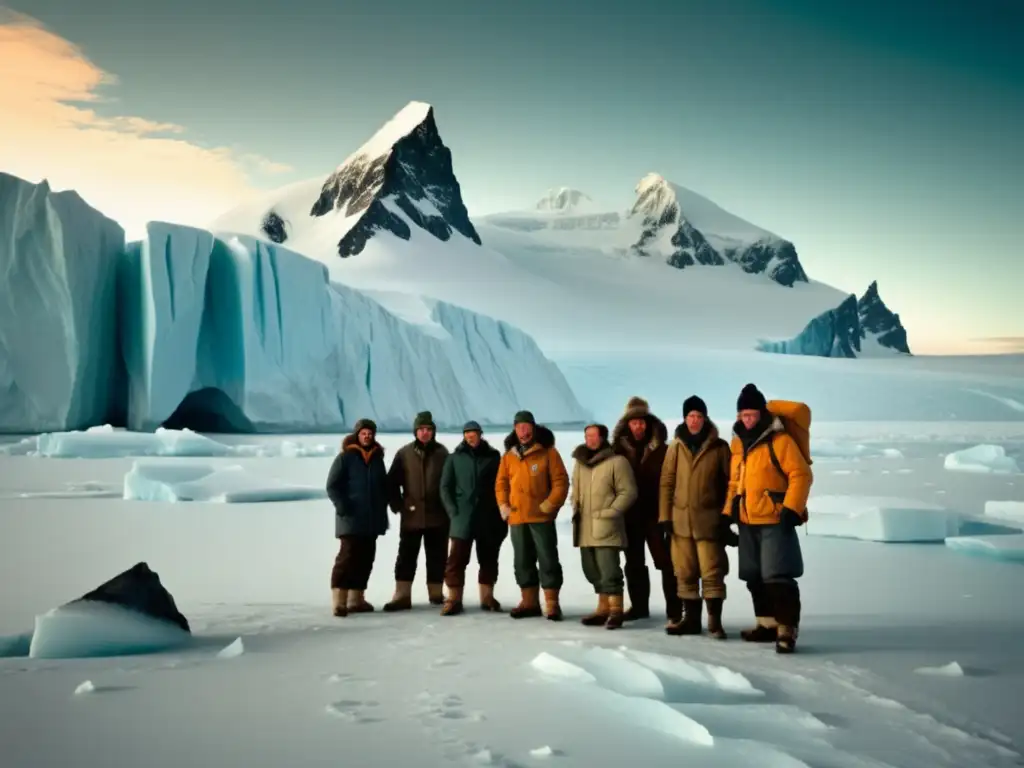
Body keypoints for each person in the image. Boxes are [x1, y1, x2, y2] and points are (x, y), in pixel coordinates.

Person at [724, 383, 813, 654]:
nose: (746, 420)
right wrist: (728, 513)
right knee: (754, 575)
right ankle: (766, 625)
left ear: (761, 413)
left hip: (775, 518)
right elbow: (734, 482)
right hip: (748, 518)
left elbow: (801, 475)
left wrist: (791, 508)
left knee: (778, 576)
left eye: (750, 414)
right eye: (742, 416)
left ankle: (787, 629)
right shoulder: (739, 444)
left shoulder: (780, 440)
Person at [658, 395, 734, 638]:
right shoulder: (675, 447)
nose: (694, 421)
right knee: (685, 571)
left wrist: (726, 516)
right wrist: (665, 517)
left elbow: (730, 483)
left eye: (699, 416)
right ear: (684, 418)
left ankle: (714, 622)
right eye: (690, 416)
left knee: (712, 571)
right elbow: (666, 483)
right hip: (680, 523)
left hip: (709, 522)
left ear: (705, 418)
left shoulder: (719, 447)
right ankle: (691, 620)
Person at [611, 397, 679, 622]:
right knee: (634, 563)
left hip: (656, 515)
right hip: (630, 516)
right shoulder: (617, 450)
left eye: (641, 422)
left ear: (648, 422)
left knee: (666, 562)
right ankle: (639, 606)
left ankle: (675, 609)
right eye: (634, 422)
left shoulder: (663, 449)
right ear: (627, 424)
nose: (638, 426)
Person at [495, 410, 569, 620]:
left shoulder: (548, 453)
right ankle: (529, 602)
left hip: (541, 517)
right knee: (522, 561)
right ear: (514, 429)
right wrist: (503, 504)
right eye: (519, 427)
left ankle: (552, 603)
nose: (523, 431)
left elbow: (560, 482)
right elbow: (501, 483)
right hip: (517, 518)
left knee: (548, 559)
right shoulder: (509, 456)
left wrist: (549, 505)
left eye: (527, 427)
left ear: (533, 428)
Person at [571, 423, 638, 629]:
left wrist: (611, 512)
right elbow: (575, 488)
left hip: (606, 526)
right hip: (584, 526)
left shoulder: (617, 462)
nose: (590, 439)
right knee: (591, 570)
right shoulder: (580, 463)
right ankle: (602, 608)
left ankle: (616, 610)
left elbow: (628, 492)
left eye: (594, 436)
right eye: (587, 435)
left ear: (603, 438)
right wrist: (575, 505)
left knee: (609, 569)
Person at [383, 411, 450, 611]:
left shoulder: (443, 454)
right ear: (415, 431)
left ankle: (436, 594)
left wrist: (448, 508)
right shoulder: (404, 454)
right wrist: (398, 505)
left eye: (428, 429)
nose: (424, 433)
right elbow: (391, 482)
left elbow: (451, 483)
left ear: (433, 432)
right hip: (411, 517)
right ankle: (402, 595)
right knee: (406, 556)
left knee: (437, 557)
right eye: (421, 429)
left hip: (438, 517)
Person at [439, 421, 507, 615]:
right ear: (463, 435)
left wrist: (499, 510)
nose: (470, 436)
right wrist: (453, 511)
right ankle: (453, 599)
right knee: (457, 560)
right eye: (467, 433)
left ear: (480, 434)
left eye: (474, 433)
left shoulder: (493, 457)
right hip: (462, 518)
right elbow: (445, 487)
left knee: (488, 559)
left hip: (488, 517)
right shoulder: (454, 458)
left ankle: (487, 598)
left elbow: (502, 483)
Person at [326, 418, 389, 617]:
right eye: (363, 433)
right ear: (357, 435)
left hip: (371, 520)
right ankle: (339, 601)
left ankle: (356, 599)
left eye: (370, 433)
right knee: (347, 557)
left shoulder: (377, 459)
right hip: (351, 518)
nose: (367, 436)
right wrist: (342, 505)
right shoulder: (345, 458)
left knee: (366, 558)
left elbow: (383, 486)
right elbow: (332, 485)